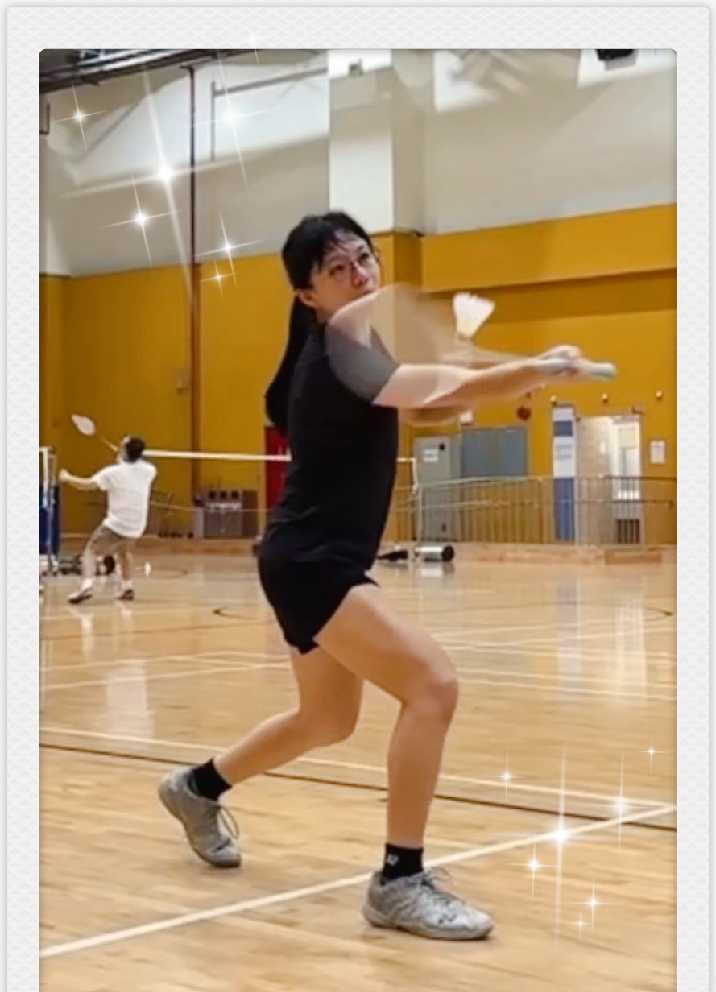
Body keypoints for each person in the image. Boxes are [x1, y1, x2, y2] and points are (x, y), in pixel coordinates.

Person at [159, 211, 591, 940]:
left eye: (364, 258)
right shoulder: (338, 358)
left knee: (326, 720)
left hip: (311, 558)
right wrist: (534, 367)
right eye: (338, 269)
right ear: (309, 295)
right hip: (313, 562)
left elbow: (429, 407)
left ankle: (196, 787)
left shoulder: (357, 353)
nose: (360, 274)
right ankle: (399, 879)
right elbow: (441, 388)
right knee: (433, 685)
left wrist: (509, 379)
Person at [58, 435, 156, 604]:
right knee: (124, 551)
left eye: (121, 445)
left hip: (116, 524)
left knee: (91, 551)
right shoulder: (149, 470)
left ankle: (87, 586)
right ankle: (127, 588)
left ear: (124, 451)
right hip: (137, 526)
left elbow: (87, 485)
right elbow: (135, 468)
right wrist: (125, 458)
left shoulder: (111, 473)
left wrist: (67, 478)